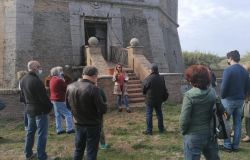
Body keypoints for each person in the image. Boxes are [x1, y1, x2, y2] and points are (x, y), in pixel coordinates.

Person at [66, 66, 107, 160]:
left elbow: (68, 106)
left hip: (78, 123)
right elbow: (103, 109)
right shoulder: (94, 89)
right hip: (92, 124)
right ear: (95, 76)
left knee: (78, 149)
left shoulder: (70, 86)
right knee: (91, 151)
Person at [179, 65, 219, 160]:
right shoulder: (212, 92)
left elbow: (184, 118)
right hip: (210, 133)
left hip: (193, 135)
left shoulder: (189, 95)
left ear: (191, 80)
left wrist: (183, 131)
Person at [20, 60, 53, 160]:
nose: (40, 68)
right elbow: (44, 98)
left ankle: (28, 154)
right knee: (41, 134)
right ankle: (42, 156)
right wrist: (50, 107)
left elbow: (22, 98)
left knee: (30, 132)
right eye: (39, 66)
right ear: (34, 68)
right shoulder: (37, 81)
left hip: (29, 110)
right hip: (40, 111)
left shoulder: (23, 79)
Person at [220, 50, 249, 152]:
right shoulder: (245, 71)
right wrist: (244, 96)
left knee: (225, 122)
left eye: (227, 58)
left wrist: (222, 97)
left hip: (228, 100)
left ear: (231, 58)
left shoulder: (228, 70)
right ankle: (236, 146)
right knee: (237, 123)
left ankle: (227, 145)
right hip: (240, 101)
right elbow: (247, 87)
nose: (227, 60)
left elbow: (224, 86)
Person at [142, 64, 168, 135]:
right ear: (157, 70)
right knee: (159, 114)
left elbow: (144, 89)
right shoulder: (161, 78)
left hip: (150, 100)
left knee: (149, 114)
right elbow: (164, 89)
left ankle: (149, 131)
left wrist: (145, 93)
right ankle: (161, 128)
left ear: (152, 70)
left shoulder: (149, 78)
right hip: (159, 100)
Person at [49, 66, 75, 135]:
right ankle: (70, 129)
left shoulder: (52, 79)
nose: (62, 72)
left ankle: (59, 129)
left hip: (54, 99)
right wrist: (64, 80)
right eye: (60, 71)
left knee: (58, 115)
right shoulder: (59, 80)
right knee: (68, 113)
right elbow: (66, 88)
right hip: (60, 99)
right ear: (57, 72)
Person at [242, 64, 250, 142]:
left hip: (248, 100)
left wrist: (246, 98)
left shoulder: (248, 77)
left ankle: (248, 135)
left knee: (247, 118)